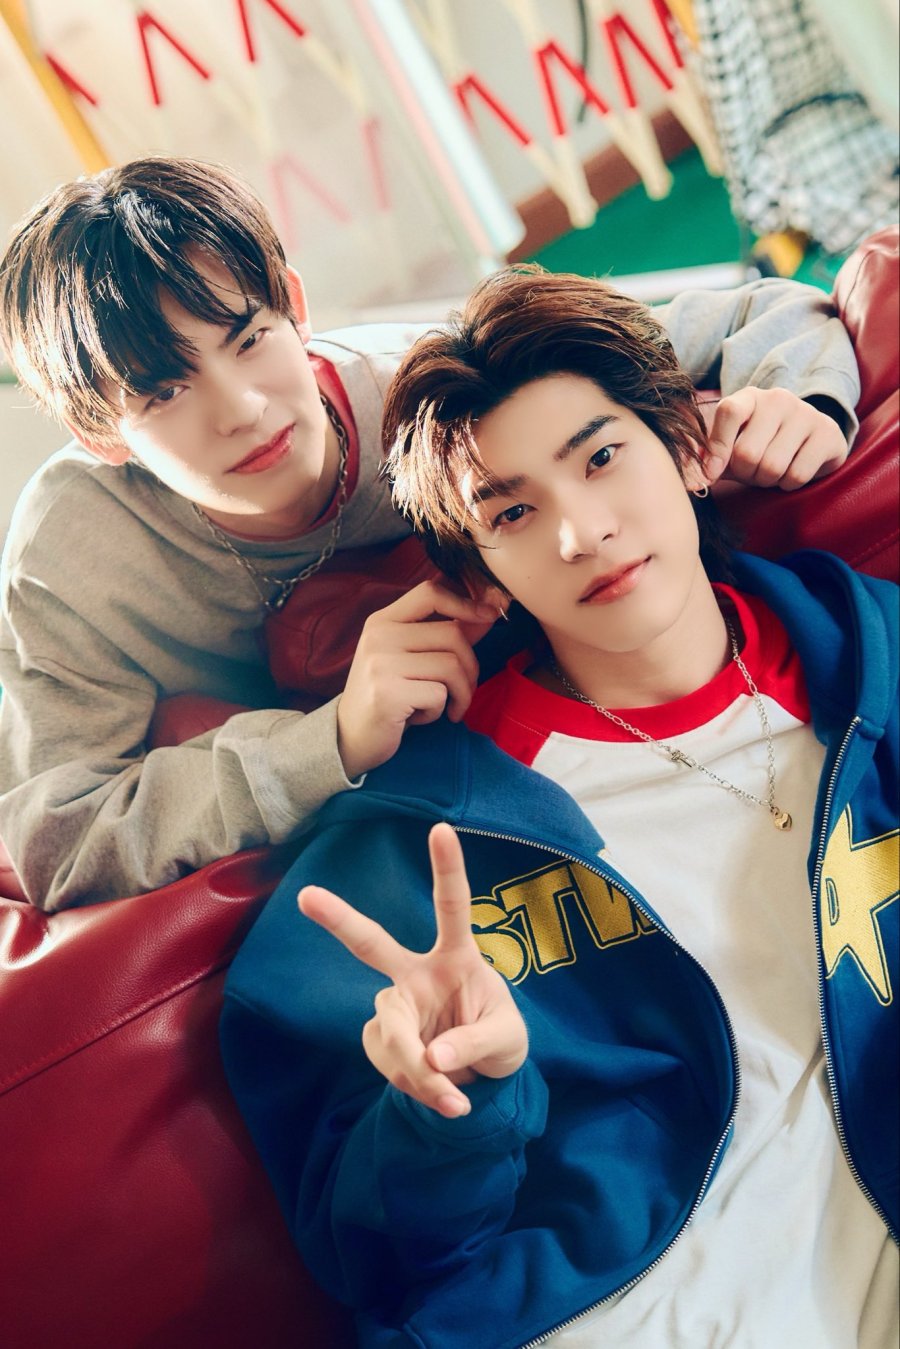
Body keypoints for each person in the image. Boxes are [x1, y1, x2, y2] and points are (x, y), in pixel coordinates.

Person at [220, 266, 898, 1349]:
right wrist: (453, 1106)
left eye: (601, 458)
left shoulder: (873, 667)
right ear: (480, 575)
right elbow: (383, 1260)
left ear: (686, 446)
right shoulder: (414, 848)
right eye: (513, 512)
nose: (581, 531)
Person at [0, 157, 862, 911]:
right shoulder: (69, 555)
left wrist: (802, 400)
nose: (244, 408)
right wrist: (331, 739)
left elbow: (769, 311)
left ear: (295, 305)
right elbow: (56, 837)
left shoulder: (426, 403)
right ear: (98, 433)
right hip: (295, 784)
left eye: (251, 338)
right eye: (164, 392)